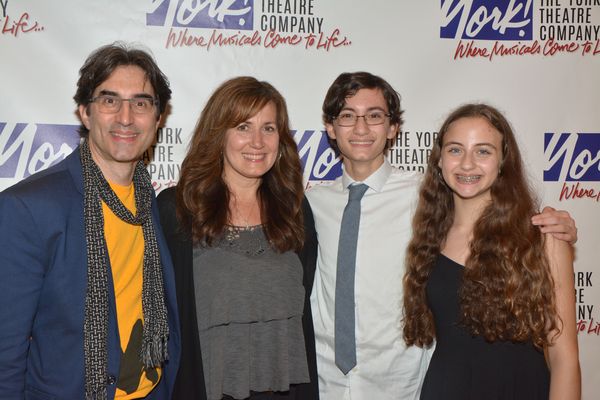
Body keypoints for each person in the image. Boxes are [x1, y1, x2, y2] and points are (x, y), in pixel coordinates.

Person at [305, 72, 578, 400]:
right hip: (331, 384)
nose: (361, 128)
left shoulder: (422, 194)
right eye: (348, 116)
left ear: (394, 128)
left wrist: (557, 227)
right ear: (331, 128)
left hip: (405, 386)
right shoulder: (309, 205)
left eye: (375, 116)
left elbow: (564, 354)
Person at [0, 43, 181, 400]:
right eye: (110, 101)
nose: (126, 118)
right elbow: (6, 352)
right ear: (85, 112)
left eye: (141, 103)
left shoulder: (157, 206)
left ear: (158, 118)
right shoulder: (28, 208)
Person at [402, 103, 581, 399]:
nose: (467, 164)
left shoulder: (544, 238)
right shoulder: (428, 237)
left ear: (503, 163)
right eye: (455, 150)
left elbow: (565, 359)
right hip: (445, 389)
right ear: (439, 160)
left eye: (483, 151)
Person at [156, 76, 319, 400]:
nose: (257, 141)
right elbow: (162, 314)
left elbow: (304, 305)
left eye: (268, 128)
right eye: (243, 126)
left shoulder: (295, 209)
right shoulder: (177, 209)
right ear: (219, 134)